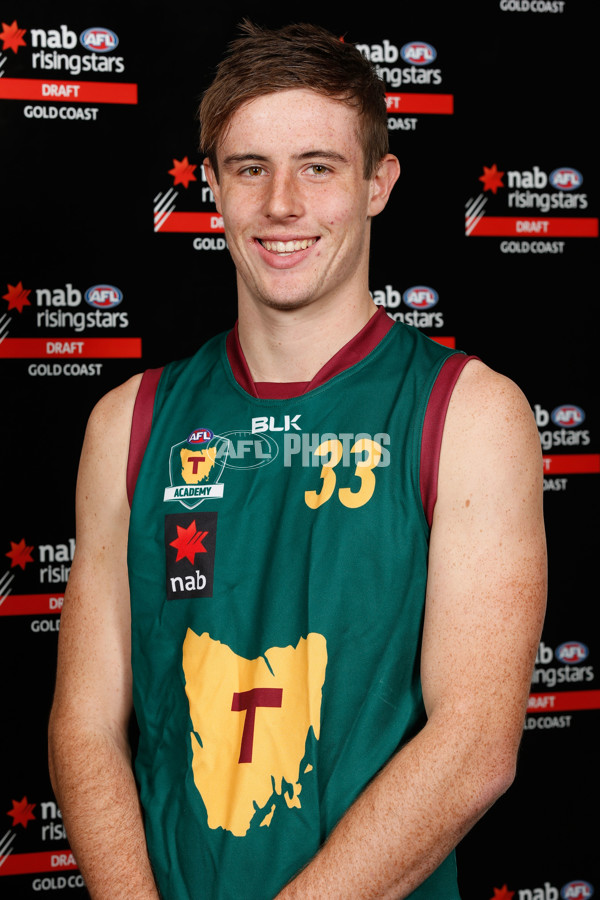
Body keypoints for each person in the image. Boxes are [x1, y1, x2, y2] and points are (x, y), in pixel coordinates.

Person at [48, 20, 547, 900]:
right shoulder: (126, 421)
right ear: (211, 188)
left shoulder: (470, 413)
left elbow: (474, 749)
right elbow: (85, 726)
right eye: (250, 168)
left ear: (378, 185)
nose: (282, 204)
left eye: (318, 166)